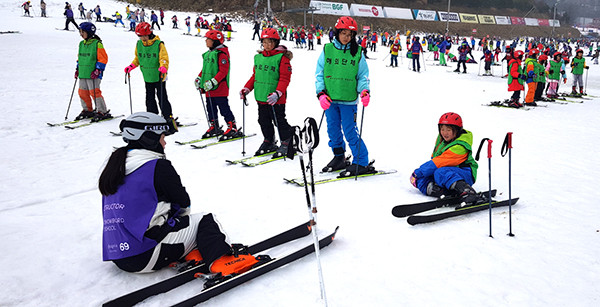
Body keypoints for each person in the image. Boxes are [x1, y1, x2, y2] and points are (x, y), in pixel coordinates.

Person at [100, 112, 259, 275]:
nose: (165, 142)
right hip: (145, 255)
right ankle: (224, 262)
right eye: (162, 137)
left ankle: (192, 251)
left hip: (119, 257)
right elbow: (183, 204)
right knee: (205, 220)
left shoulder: (114, 166)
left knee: (168, 222)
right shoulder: (156, 166)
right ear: (149, 138)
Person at [315, 16, 374, 176]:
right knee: (332, 130)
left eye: (350, 34)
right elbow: (319, 74)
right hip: (330, 99)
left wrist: (364, 90)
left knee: (350, 131)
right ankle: (339, 156)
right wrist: (320, 94)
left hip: (348, 100)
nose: (346, 37)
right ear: (337, 33)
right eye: (343, 33)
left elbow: (363, 75)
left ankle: (361, 161)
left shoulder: (357, 53)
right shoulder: (327, 50)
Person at [240, 28, 295, 158]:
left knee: (279, 121)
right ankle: (269, 140)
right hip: (261, 96)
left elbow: (284, 78)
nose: (267, 45)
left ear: (276, 43)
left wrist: (278, 92)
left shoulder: (282, 58)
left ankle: (287, 140)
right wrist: (247, 88)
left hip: (275, 98)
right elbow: (255, 76)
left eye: (270, 42)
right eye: (265, 42)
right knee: (263, 120)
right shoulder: (258, 58)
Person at [410, 113, 479, 204]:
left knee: (440, 172)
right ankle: (444, 192)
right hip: (445, 174)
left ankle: (467, 191)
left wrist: (419, 171)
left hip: (464, 174)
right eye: (442, 129)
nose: (444, 133)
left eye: (448, 130)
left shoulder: (460, 146)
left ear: (457, 130)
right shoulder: (442, 140)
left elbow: (440, 162)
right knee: (422, 179)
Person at [124, 22, 177, 133]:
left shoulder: (159, 44)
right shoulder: (139, 44)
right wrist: (131, 66)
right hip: (147, 76)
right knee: (149, 97)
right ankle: (152, 116)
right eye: (140, 36)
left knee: (162, 97)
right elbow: (137, 58)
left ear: (149, 33)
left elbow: (164, 58)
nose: (142, 38)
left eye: (144, 35)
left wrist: (163, 67)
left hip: (159, 76)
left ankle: (168, 117)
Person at [195, 30, 242, 140]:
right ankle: (214, 125)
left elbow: (223, 71)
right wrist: (199, 78)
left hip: (219, 87)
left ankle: (232, 126)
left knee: (223, 107)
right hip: (208, 88)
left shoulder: (222, 54)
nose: (206, 41)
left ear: (215, 41)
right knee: (210, 107)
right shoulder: (207, 54)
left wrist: (213, 81)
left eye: (209, 40)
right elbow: (205, 69)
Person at [74, 22, 111, 121]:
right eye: (80, 32)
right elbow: (80, 57)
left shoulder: (97, 44)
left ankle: (102, 110)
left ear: (89, 32)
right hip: (83, 72)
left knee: (94, 92)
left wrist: (98, 69)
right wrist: (77, 69)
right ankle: (87, 109)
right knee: (82, 92)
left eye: (82, 32)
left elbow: (103, 58)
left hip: (93, 74)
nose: (81, 34)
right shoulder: (82, 44)